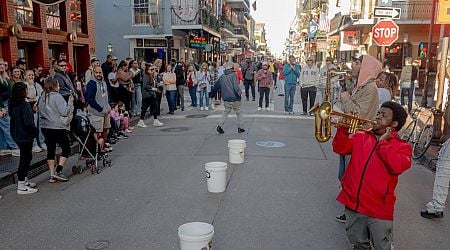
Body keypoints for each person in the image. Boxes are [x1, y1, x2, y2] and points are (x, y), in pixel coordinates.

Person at [333, 101, 411, 250]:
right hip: (353, 203)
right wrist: (342, 130)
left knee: (382, 246)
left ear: (394, 124)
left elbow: (396, 166)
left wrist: (382, 144)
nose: (378, 116)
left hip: (379, 208)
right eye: (378, 113)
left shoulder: (403, 147)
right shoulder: (361, 136)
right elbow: (340, 148)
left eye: (384, 115)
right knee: (357, 242)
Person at [335, 55, 381, 223]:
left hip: (358, 137)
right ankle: (349, 208)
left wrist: (345, 98)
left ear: (365, 67)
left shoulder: (370, 89)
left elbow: (358, 114)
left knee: (350, 175)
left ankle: (352, 211)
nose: (352, 66)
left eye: (356, 63)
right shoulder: (361, 86)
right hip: (349, 135)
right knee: (344, 174)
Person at [39, 78, 74, 182]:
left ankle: (51, 174)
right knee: (66, 148)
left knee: (51, 149)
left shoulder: (42, 97)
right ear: (54, 86)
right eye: (58, 84)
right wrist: (70, 102)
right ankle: (59, 170)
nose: (59, 86)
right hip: (57, 126)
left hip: (45, 126)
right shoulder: (57, 96)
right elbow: (64, 111)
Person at [9, 82, 38, 194]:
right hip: (26, 135)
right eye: (26, 89)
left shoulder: (12, 103)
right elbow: (29, 123)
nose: (27, 91)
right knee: (25, 158)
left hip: (16, 133)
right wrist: (34, 132)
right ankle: (21, 185)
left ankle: (24, 180)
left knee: (27, 156)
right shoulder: (24, 105)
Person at [212, 62, 245, 134]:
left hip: (226, 97)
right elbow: (236, 87)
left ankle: (220, 126)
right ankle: (240, 127)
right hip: (234, 97)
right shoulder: (233, 75)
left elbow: (216, 86)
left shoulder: (222, 76)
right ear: (232, 68)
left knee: (226, 112)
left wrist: (213, 94)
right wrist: (239, 92)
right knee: (238, 112)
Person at [86, 66, 111, 151]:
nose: (98, 74)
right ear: (93, 73)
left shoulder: (103, 82)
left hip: (106, 111)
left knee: (105, 130)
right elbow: (90, 99)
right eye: (96, 72)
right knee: (96, 131)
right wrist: (100, 109)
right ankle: (96, 149)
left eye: (100, 72)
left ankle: (102, 146)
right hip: (96, 112)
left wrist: (108, 106)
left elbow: (106, 96)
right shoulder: (91, 84)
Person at [0, 58, 20, 157]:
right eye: (0, 64)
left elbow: (11, 89)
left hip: (7, 103)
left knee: (3, 127)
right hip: (2, 105)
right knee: (7, 126)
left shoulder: (4, 77)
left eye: (3, 64)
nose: (2, 66)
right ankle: (14, 147)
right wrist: (1, 108)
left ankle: (3, 147)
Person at [24, 70, 45, 153]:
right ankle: (34, 144)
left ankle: (41, 142)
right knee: (32, 127)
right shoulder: (23, 85)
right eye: (29, 75)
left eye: (32, 75)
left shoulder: (37, 85)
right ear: (25, 76)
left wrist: (37, 103)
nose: (31, 77)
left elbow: (41, 95)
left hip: (37, 107)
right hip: (28, 108)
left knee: (39, 126)